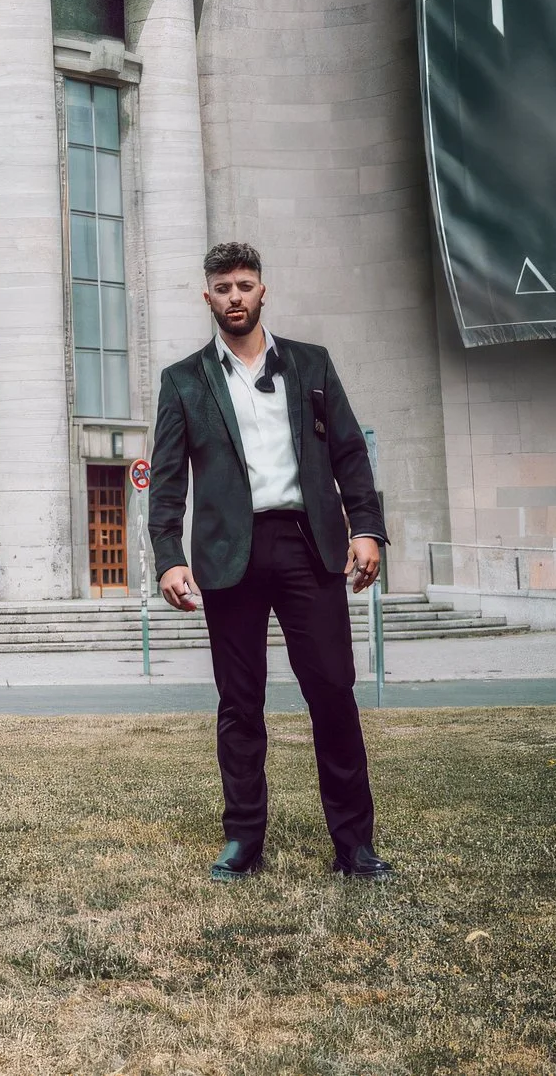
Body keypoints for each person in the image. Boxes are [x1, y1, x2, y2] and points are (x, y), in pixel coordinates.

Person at [148, 240, 396, 883]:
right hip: (228, 554)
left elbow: (349, 454)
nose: (235, 297)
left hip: (309, 545)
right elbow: (167, 480)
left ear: (263, 290)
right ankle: (243, 839)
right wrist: (169, 557)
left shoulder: (312, 364)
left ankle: (354, 845)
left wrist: (367, 529)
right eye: (222, 288)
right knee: (240, 703)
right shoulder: (183, 380)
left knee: (333, 692)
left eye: (244, 285)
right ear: (207, 297)